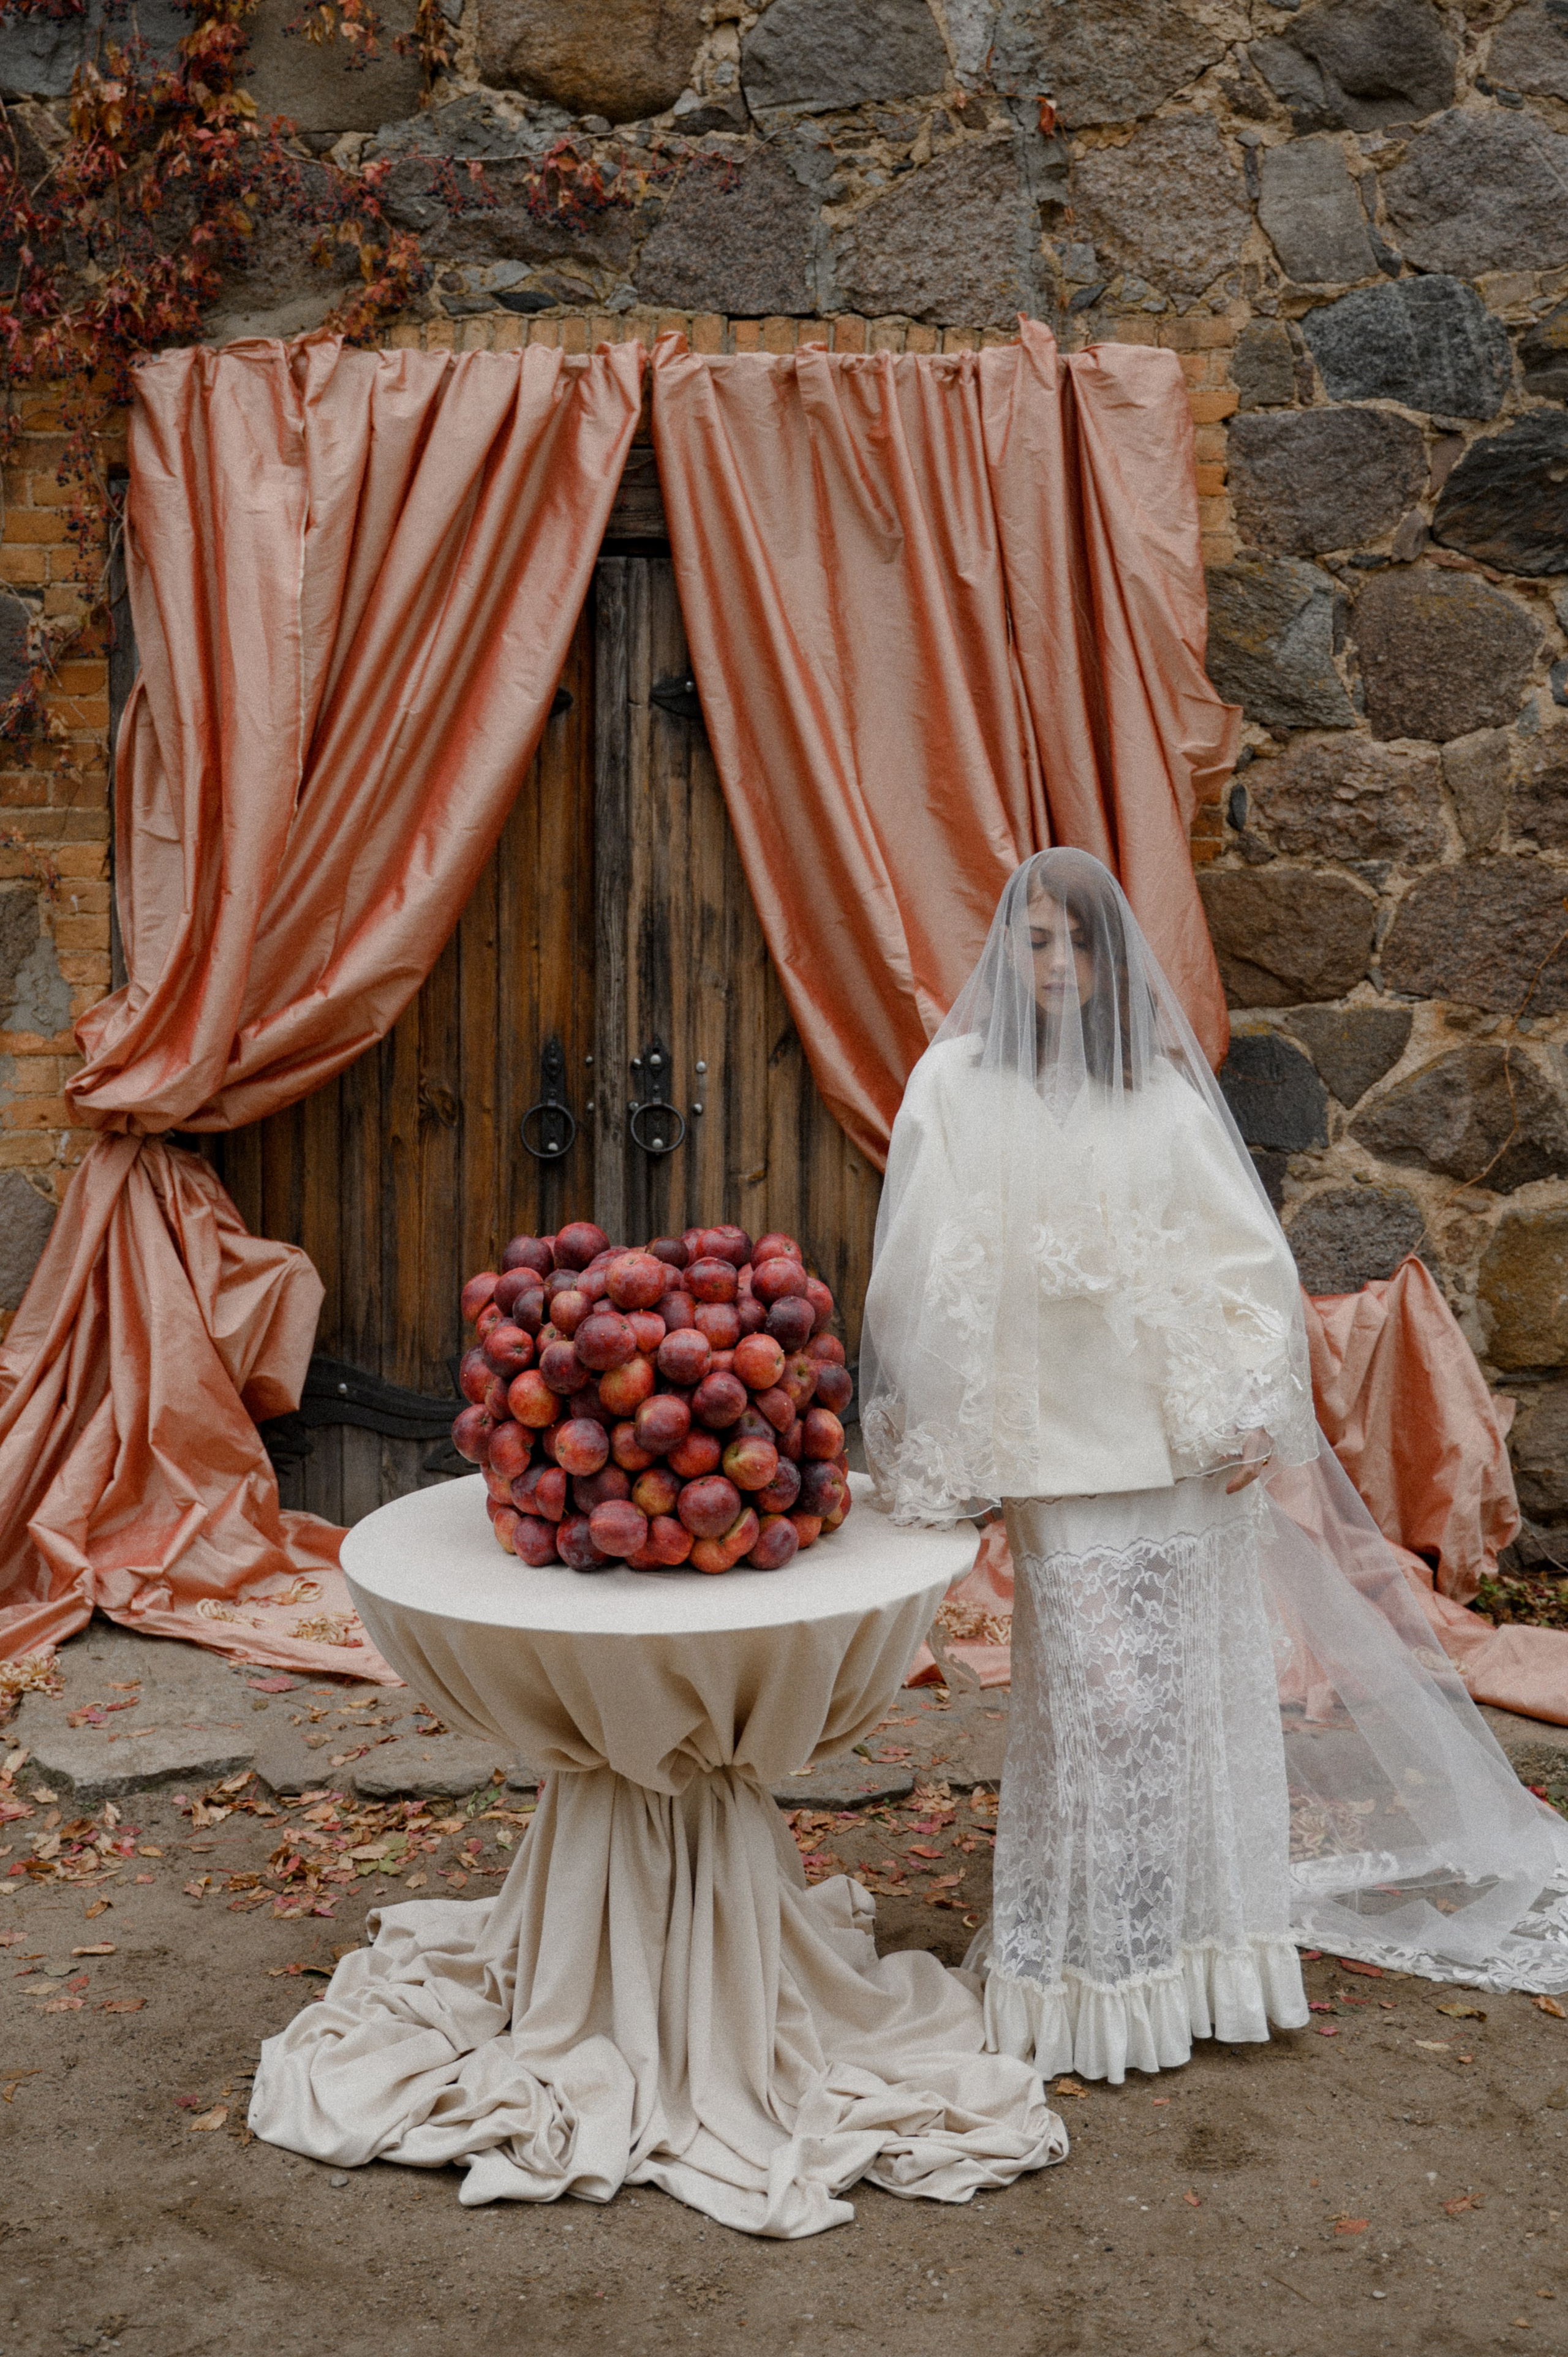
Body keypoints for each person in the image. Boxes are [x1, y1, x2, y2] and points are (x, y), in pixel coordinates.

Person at [861, 848, 1568, 2086]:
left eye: (1077, 944)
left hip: (1172, 1448)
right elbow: (915, 1276)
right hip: (1053, 1450)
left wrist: (1245, 1411)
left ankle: (1198, 1963)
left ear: (1110, 956)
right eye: (1033, 941)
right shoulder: (951, 1085)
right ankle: (1087, 1970)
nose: (1057, 966)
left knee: (1184, 1701)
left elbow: (1240, 1265)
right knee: (1098, 1704)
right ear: (1003, 951)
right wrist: (951, 1438)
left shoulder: (1159, 1098)